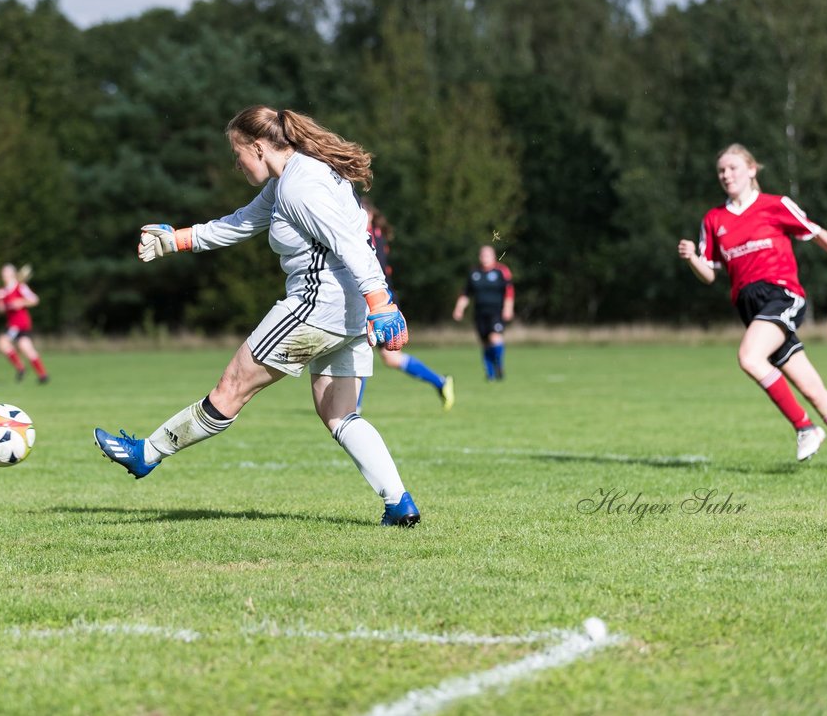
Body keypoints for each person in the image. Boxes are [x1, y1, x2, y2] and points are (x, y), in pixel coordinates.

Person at [92, 106, 421, 527]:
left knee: (231, 389)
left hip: (316, 308)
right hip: (348, 315)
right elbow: (241, 223)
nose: (237, 163)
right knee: (339, 414)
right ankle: (398, 504)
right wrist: (175, 240)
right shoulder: (295, 177)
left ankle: (147, 453)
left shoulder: (299, 187)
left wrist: (383, 303)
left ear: (259, 146)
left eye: (238, 154)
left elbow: (350, 244)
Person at [677, 143, 827, 474]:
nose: (726, 175)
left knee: (748, 357)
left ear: (751, 170)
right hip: (752, 309)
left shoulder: (775, 205)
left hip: (782, 295)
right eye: (721, 171)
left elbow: (815, 232)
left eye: (732, 168)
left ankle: (805, 428)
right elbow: (709, 275)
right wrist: (692, 259)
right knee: (812, 388)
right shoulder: (713, 219)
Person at [356, 199, 454, 412]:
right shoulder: (372, 236)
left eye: (363, 213)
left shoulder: (369, 237)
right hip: (380, 300)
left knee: (361, 348)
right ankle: (440, 382)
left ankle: (355, 407)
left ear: (371, 216)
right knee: (390, 358)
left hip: (380, 302)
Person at [452, 245, 514, 380]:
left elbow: (509, 291)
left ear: (493, 256)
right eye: (482, 255)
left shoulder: (501, 271)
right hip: (480, 313)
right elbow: (466, 293)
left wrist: (508, 308)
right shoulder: (474, 273)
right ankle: (490, 374)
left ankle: (499, 365)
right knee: (485, 343)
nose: (484, 258)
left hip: (496, 311)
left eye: (487, 255)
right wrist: (459, 309)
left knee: (495, 338)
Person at [0, 263, 49, 384]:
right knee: (25, 347)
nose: (4, 275)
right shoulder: (2, 291)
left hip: (20, 324)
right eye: (3, 273)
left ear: (13, 274)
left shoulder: (21, 287)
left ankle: (21, 368)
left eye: (6, 273)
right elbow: (0, 309)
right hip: (12, 324)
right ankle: (42, 375)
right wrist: (3, 302)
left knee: (3, 342)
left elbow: (35, 299)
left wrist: (21, 302)